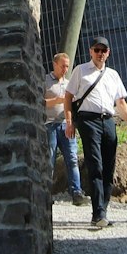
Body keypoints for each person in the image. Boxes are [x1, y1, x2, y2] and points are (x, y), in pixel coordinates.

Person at [62, 35, 127, 230]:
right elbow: (68, 97)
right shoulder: (80, 71)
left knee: (109, 167)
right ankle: (98, 213)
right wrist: (69, 122)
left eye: (104, 50)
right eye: (97, 50)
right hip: (88, 121)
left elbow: (120, 102)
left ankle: (102, 209)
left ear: (108, 53)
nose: (100, 54)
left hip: (108, 121)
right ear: (90, 51)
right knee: (95, 165)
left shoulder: (113, 75)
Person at [44, 53, 84, 205]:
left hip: (66, 124)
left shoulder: (69, 83)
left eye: (67, 66)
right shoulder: (45, 81)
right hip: (50, 124)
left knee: (72, 158)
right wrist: (58, 101)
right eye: (63, 66)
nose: (65, 69)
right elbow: (38, 101)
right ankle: (47, 194)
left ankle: (76, 192)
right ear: (55, 64)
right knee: (49, 159)